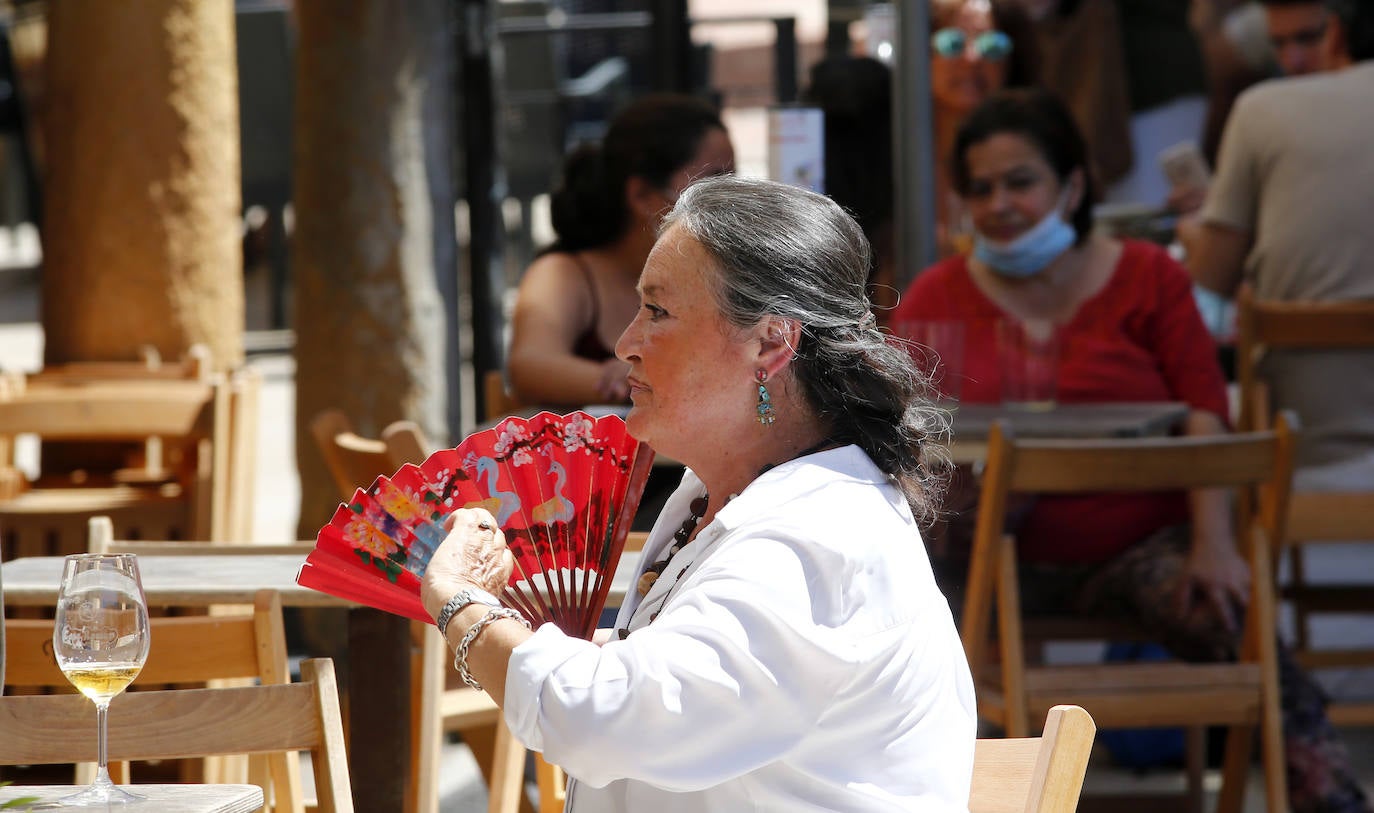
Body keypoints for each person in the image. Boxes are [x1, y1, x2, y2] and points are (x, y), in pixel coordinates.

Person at [422, 176, 975, 811]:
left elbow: (611, 717)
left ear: (770, 342)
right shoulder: (716, 500)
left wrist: (462, 606)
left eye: (657, 312)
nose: (626, 344)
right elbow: (686, 683)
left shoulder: (815, 540)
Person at [891, 88, 1371, 812]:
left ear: (1073, 185)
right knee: (895, 640)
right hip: (983, 556)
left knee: (1236, 624)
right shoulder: (937, 294)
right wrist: (938, 488)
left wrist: (1215, 541)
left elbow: (1206, 413)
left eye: (1021, 181)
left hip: (1134, 549)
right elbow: (900, 439)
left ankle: (1334, 801)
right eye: (980, 188)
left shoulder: (1149, 276)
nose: (1000, 204)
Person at [1178, 0, 1374, 491]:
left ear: (1339, 32)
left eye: (1307, 38)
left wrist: (1196, 233)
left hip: (1308, 448)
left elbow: (1210, 284)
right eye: (1279, 44)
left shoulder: (1263, 110)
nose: (1294, 60)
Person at [506, 94, 734, 408]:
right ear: (642, 195)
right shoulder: (565, 272)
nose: (729, 200)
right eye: (712, 184)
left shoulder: (721, 273)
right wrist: (635, 377)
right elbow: (530, 366)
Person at [929, 0, 1038, 257]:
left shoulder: (1041, 152)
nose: (971, 58)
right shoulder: (884, 152)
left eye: (992, 46)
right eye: (951, 43)